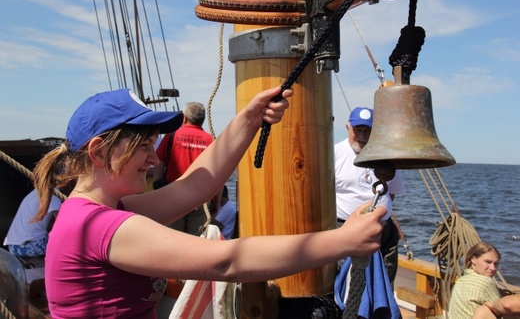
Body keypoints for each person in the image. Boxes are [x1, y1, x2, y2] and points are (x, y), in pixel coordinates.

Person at [32, 87, 386, 318]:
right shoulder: (101, 226)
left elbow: (193, 188)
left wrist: (248, 121)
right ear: (98, 152)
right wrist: (341, 242)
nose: (153, 159)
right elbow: (224, 262)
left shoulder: (102, 213)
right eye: (142, 146)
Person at [334, 107, 404, 282]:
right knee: (348, 283)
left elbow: (391, 193)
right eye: (358, 130)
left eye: (368, 130)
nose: (362, 135)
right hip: (345, 228)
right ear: (348, 128)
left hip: (383, 230)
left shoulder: (388, 157)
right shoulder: (333, 155)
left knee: (384, 283)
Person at [153, 101, 214, 235]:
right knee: (196, 242)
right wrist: (215, 202)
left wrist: (158, 187)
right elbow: (218, 172)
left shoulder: (172, 135)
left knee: (172, 238)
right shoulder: (210, 140)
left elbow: (158, 163)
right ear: (202, 120)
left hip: (173, 196)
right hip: (201, 199)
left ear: (184, 118)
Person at [4, 187, 65, 257]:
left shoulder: (36, 192)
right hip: (27, 246)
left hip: (13, 246)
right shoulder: (53, 195)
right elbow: (62, 225)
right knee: (67, 244)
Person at [449, 241, 502, 319]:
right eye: (488, 262)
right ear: (473, 259)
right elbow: (502, 311)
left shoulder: (462, 280)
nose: (493, 268)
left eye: (496, 263)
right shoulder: (485, 282)